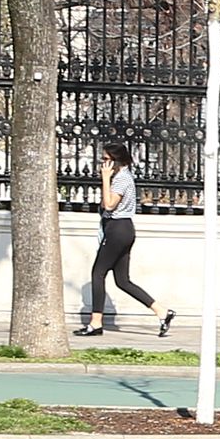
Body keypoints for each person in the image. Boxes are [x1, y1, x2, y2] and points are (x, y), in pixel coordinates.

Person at [77, 142, 167, 338]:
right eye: (102, 160)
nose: (103, 164)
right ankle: (161, 311)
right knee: (122, 280)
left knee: (98, 273)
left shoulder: (121, 179)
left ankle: (95, 322)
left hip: (118, 229)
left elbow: (109, 205)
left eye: (106, 160)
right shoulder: (121, 177)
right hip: (121, 229)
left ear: (117, 161)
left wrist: (105, 179)